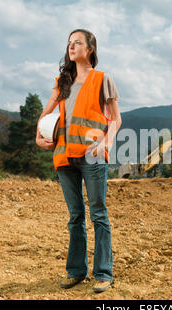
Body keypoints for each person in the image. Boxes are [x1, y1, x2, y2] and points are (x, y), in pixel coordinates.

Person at [36, 29, 122, 293]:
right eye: (69, 43)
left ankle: (104, 273)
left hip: (92, 155)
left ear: (90, 49)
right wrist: (38, 136)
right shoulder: (61, 81)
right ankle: (76, 271)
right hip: (63, 156)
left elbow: (116, 119)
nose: (72, 47)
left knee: (98, 214)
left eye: (78, 42)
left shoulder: (102, 79)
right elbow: (46, 114)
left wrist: (106, 142)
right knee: (75, 217)